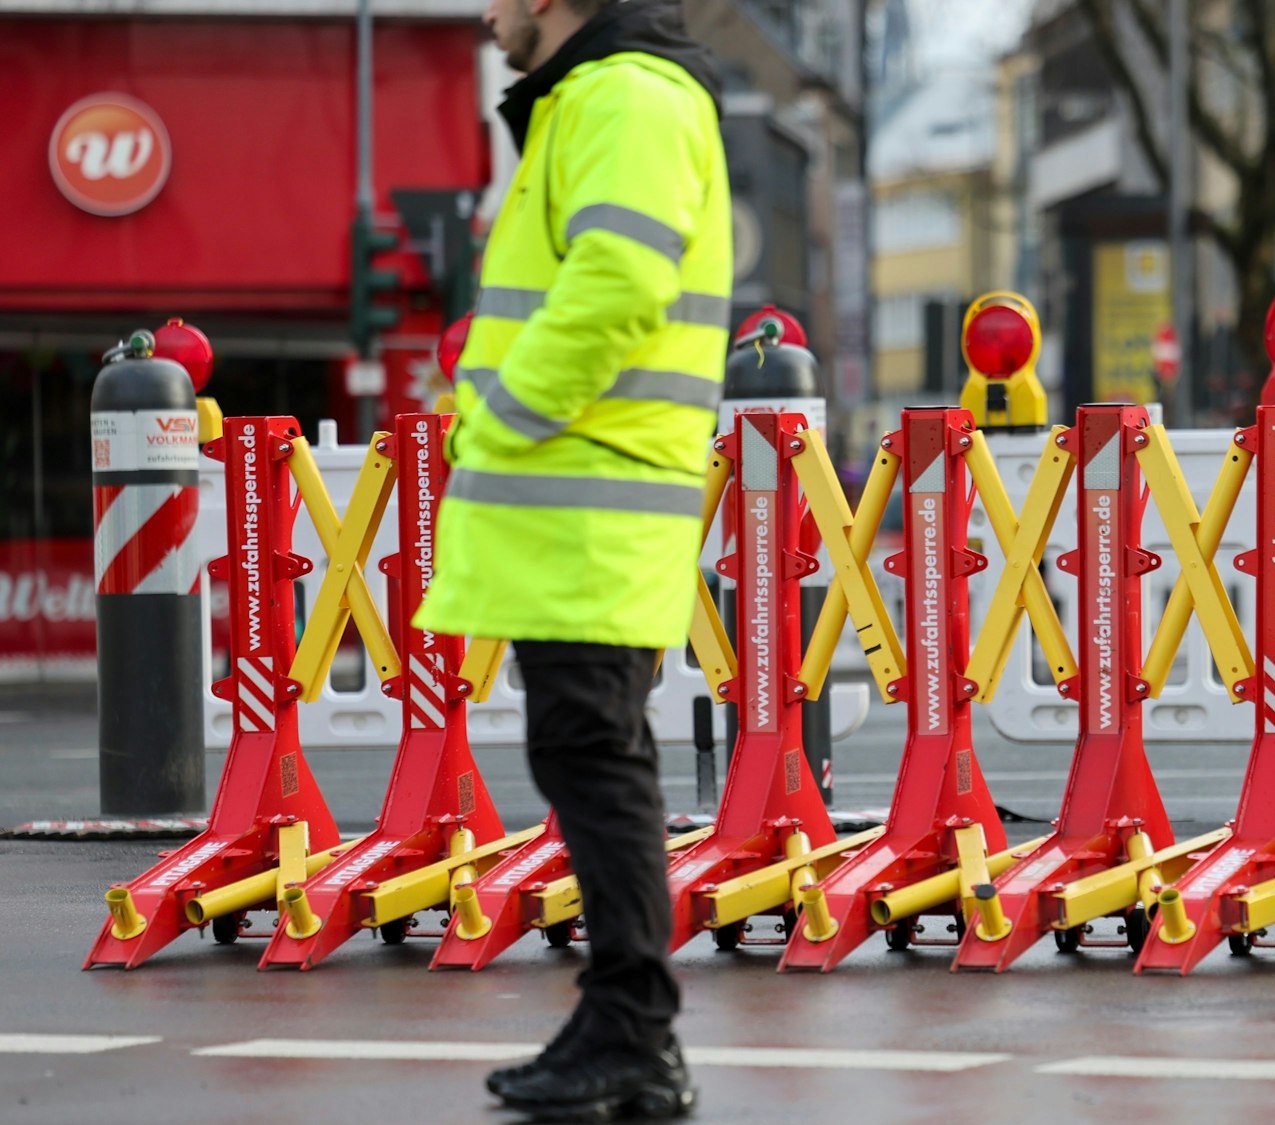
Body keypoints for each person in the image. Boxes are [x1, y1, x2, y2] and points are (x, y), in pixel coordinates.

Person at [416, 0, 730, 1118]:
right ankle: (624, 1026)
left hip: (590, 502)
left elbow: (618, 280)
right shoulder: (600, 97)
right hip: (582, 507)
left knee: (595, 760)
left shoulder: (622, 94)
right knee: (587, 755)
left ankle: (633, 1030)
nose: (486, 7)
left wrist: (502, 406)